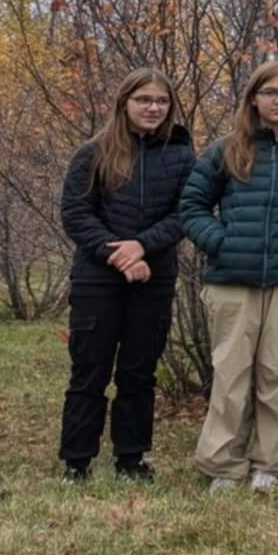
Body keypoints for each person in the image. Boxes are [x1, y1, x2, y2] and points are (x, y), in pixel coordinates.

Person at [180, 61, 278, 492]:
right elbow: (192, 206)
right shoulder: (225, 151)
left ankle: (272, 463)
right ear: (253, 97)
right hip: (232, 279)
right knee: (231, 375)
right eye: (270, 92)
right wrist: (220, 242)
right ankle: (223, 465)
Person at [56, 68, 193, 483]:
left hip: (155, 277)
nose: (153, 108)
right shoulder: (93, 153)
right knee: (89, 370)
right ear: (124, 104)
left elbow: (187, 212)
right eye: (143, 100)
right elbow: (77, 214)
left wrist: (144, 246)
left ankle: (131, 460)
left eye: (161, 101)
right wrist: (120, 255)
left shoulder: (182, 155)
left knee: (138, 371)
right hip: (98, 279)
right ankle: (76, 461)